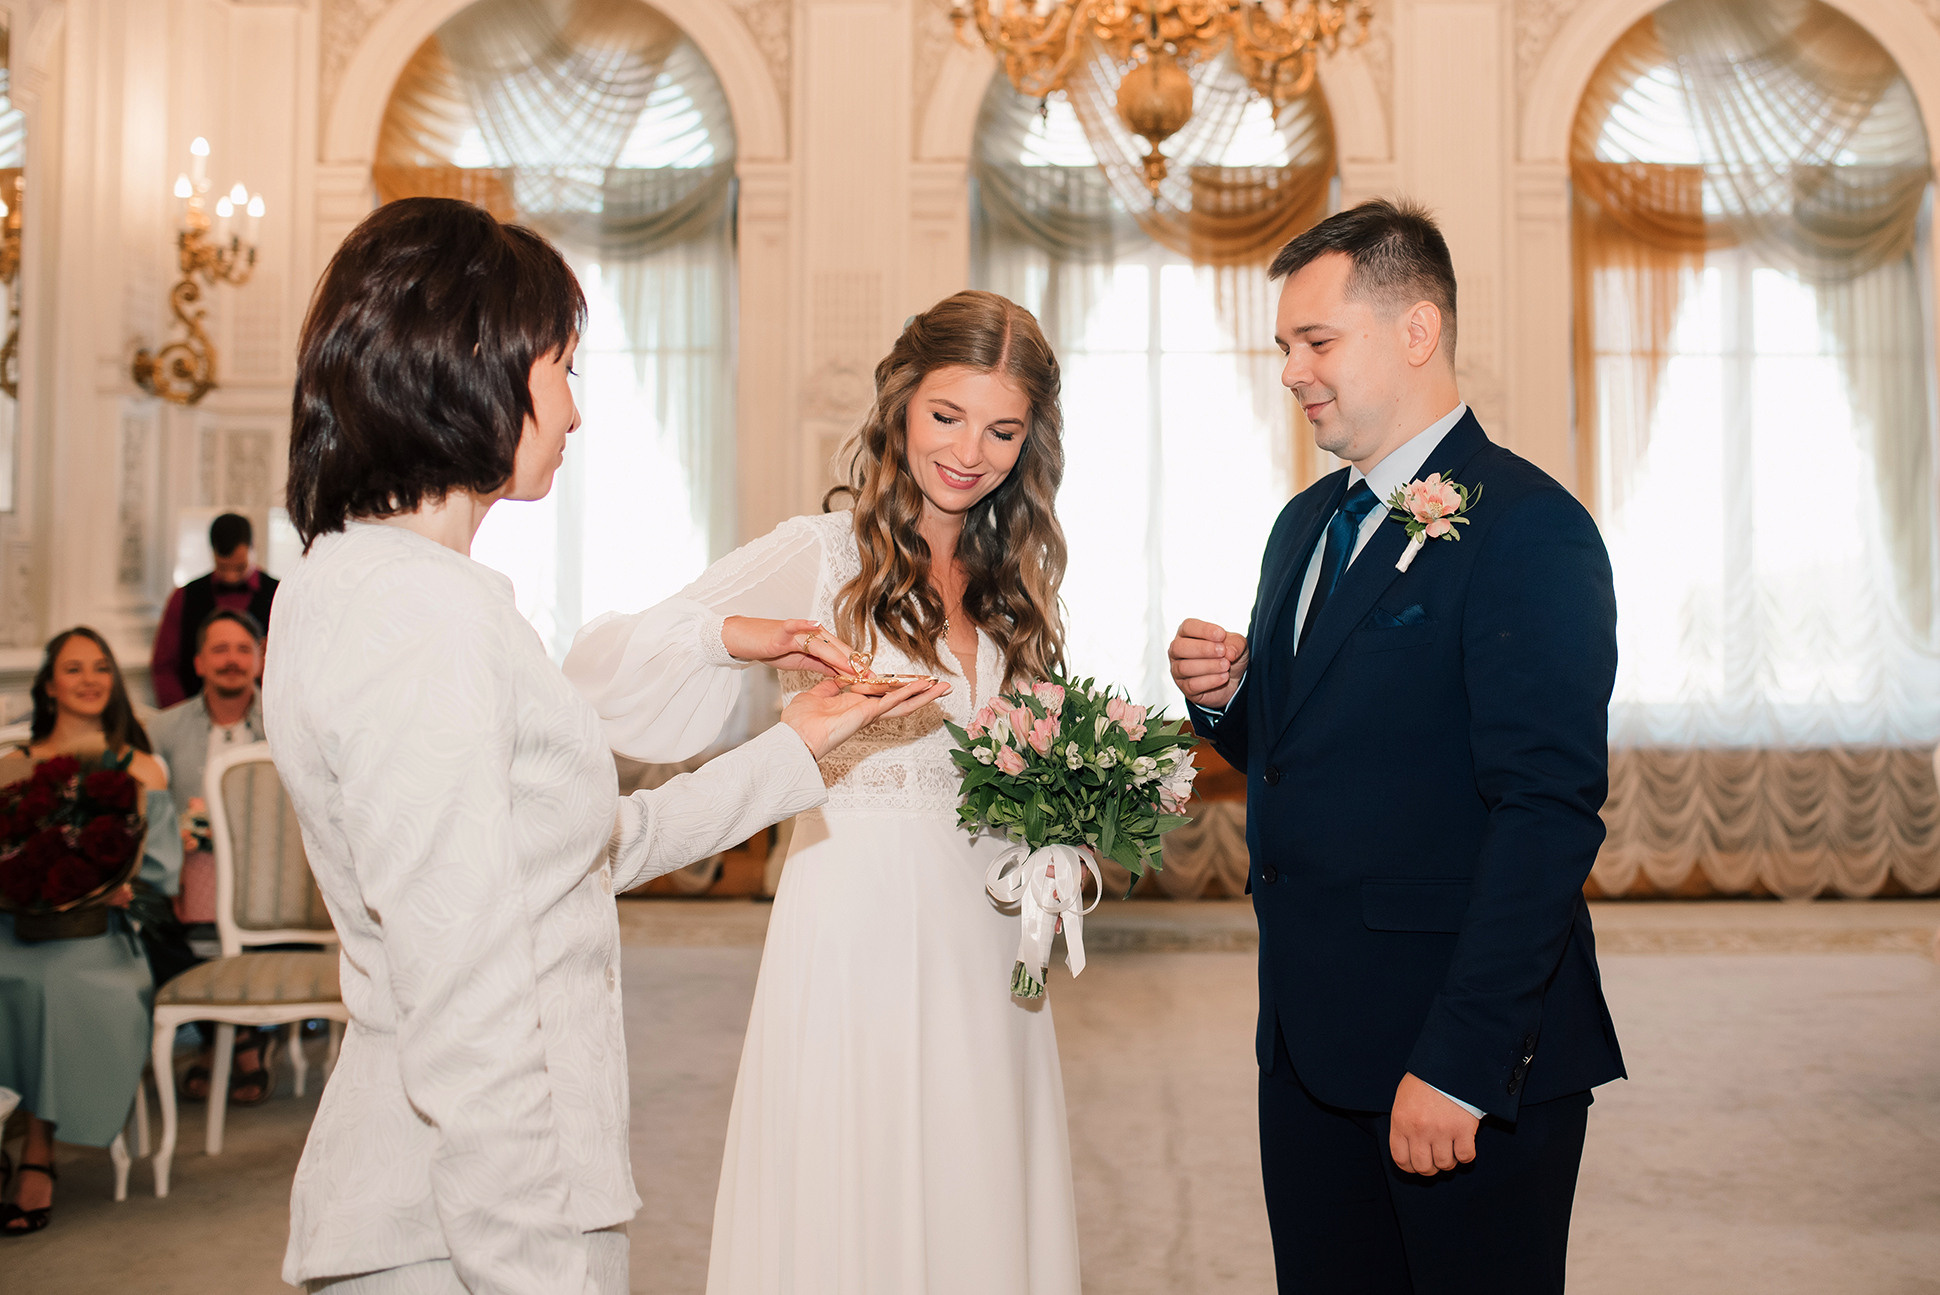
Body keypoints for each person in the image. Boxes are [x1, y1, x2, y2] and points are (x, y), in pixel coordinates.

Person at [268, 196, 944, 1295]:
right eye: (562, 367)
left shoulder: (384, 588)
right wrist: (531, 1271)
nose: (575, 413)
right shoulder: (418, 619)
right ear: (475, 363)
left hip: (466, 1208)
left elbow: (579, 847)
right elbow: (467, 993)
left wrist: (796, 746)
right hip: (466, 1228)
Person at [566, 289, 1080, 1294]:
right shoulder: (818, 551)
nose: (969, 450)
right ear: (898, 403)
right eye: (946, 414)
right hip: (853, 921)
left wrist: (1058, 821)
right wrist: (733, 635)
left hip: (986, 939)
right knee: (855, 1189)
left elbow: (1022, 758)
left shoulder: (1016, 578)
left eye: (1001, 428)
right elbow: (604, 666)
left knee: (975, 1183)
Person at [1168, 199, 1626, 1294]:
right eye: (1284, 345)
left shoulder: (1528, 527)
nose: (1290, 370)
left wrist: (1460, 1063)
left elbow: (1544, 812)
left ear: (1414, 332)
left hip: (1456, 1050)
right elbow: (1305, 749)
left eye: (1314, 340)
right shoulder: (1301, 525)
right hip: (1308, 1043)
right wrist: (1228, 700)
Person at [0, 628, 178, 1234]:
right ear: (50, 685)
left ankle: (38, 1153)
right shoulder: (15, 764)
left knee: (59, 986)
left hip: (101, 934)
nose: (90, 679)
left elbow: (159, 878)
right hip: (17, 926)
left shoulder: (142, 768)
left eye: (101, 667)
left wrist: (118, 886)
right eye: (73, 669)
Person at [148, 607, 273, 1105]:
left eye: (243, 649)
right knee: (154, 923)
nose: (232, 660)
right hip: (188, 882)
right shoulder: (164, 729)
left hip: (266, 884)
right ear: (198, 662)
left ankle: (220, 1041)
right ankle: (238, 1038)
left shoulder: (285, 724)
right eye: (219, 650)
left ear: (260, 660)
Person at [151, 512, 279, 708]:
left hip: (265, 715)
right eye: (223, 567)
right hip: (195, 715)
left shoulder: (280, 595)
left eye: (239, 567)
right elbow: (164, 666)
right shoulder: (184, 596)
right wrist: (182, 714)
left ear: (254, 547)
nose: (230, 577)